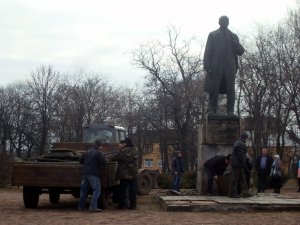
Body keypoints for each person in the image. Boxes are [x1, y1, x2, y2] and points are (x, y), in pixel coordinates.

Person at [203, 15, 245, 114]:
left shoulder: (233, 36)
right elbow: (208, 51)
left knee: (231, 89)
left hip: (230, 66)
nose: (224, 22)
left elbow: (241, 52)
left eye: (226, 21)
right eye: (222, 21)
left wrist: (236, 44)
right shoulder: (212, 35)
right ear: (219, 22)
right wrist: (207, 65)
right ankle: (212, 109)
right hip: (216, 66)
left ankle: (230, 110)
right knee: (214, 88)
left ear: (228, 22)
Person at [107, 137, 138, 210]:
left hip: (125, 174)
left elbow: (112, 157)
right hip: (133, 173)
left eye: (122, 143)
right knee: (133, 191)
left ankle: (121, 206)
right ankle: (133, 206)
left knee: (122, 191)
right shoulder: (135, 150)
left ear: (125, 144)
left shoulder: (122, 152)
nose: (120, 144)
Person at [78, 139, 107, 212]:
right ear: (99, 146)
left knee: (84, 190)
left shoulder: (87, 152)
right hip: (93, 174)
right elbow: (104, 163)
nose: (101, 147)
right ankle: (93, 207)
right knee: (97, 190)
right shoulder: (98, 153)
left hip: (85, 173)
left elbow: (80, 160)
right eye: (101, 146)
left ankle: (81, 207)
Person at [228, 131, 252, 198]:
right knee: (235, 179)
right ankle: (232, 193)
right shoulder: (241, 144)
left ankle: (245, 193)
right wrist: (245, 167)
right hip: (237, 164)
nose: (247, 139)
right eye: (247, 137)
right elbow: (241, 157)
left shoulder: (238, 142)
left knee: (243, 178)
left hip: (237, 163)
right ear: (245, 137)